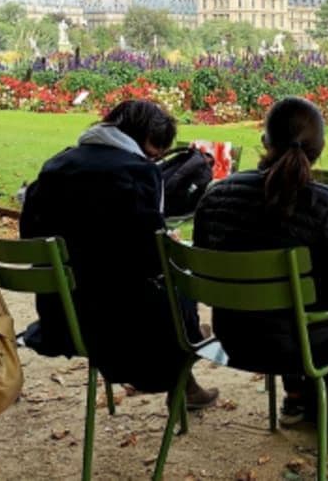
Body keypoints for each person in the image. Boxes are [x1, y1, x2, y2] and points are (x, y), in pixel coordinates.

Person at [193, 97, 328, 441]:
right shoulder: (326, 205)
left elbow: (203, 270)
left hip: (235, 338)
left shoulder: (215, 198)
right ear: (320, 148)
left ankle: (297, 400)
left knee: (287, 313)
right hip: (300, 347)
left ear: (264, 142)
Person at [20, 99, 218, 408]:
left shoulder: (55, 165)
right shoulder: (137, 173)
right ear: (144, 139)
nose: (154, 159)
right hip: (121, 329)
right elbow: (151, 259)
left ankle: (189, 344)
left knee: (158, 293)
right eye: (155, 152)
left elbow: (30, 237)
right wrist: (167, 241)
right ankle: (188, 342)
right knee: (177, 285)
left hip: (61, 318)